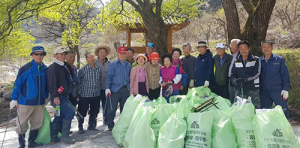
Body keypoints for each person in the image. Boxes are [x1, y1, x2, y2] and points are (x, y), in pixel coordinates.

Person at [10, 46, 48, 148]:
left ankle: (32, 143)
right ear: (32, 55)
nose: (39, 56)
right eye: (36, 54)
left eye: (41, 54)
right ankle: (22, 144)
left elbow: (47, 86)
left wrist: (46, 96)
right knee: (22, 124)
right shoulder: (25, 68)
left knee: (37, 124)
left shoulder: (45, 69)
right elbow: (18, 84)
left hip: (39, 102)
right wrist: (14, 98)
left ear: (44, 55)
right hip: (25, 102)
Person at [47, 47, 75, 144]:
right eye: (61, 54)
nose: (63, 56)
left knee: (59, 116)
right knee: (70, 112)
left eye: (64, 54)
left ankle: (54, 138)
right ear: (55, 55)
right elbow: (52, 83)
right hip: (58, 98)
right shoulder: (52, 68)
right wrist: (55, 96)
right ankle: (65, 137)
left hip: (63, 96)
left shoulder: (63, 66)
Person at [259, 41, 290, 118]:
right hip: (264, 92)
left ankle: (285, 129)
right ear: (261, 48)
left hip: (278, 91)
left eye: (268, 47)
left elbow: (285, 75)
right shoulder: (259, 61)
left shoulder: (279, 60)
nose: (266, 49)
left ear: (272, 48)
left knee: (283, 113)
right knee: (265, 114)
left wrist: (285, 89)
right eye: (264, 47)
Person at [105, 46, 131, 131]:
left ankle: (122, 125)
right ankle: (110, 124)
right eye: (121, 54)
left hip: (125, 89)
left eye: (124, 53)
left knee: (124, 108)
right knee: (112, 108)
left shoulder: (128, 65)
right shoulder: (113, 64)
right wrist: (107, 88)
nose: (122, 55)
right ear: (118, 54)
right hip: (115, 89)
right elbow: (109, 76)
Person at [230, 40, 261, 108]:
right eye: (241, 49)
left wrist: (245, 80)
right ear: (239, 50)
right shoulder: (236, 61)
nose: (243, 51)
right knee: (240, 108)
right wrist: (235, 81)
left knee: (254, 109)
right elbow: (232, 73)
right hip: (240, 89)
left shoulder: (256, 59)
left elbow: (257, 73)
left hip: (253, 89)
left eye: (245, 48)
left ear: (249, 49)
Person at [77, 53, 101, 134]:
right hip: (85, 94)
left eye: (92, 57)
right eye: (89, 57)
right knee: (82, 111)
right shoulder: (83, 70)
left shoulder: (98, 69)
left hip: (96, 93)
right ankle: (80, 126)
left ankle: (91, 125)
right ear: (87, 59)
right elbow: (79, 81)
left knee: (94, 110)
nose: (91, 59)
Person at [95, 46, 111, 125]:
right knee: (95, 105)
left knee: (106, 104)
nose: (102, 54)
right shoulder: (94, 62)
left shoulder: (109, 63)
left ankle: (106, 120)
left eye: (104, 53)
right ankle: (93, 122)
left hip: (106, 87)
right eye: (101, 53)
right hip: (96, 87)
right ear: (98, 54)